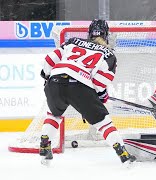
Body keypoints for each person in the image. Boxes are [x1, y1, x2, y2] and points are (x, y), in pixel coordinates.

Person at [39, 19, 136, 165]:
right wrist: (101, 97)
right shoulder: (109, 55)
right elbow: (99, 83)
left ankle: (45, 145)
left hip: (55, 81)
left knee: (54, 114)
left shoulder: (72, 41)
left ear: (89, 33)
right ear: (106, 35)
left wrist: (46, 76)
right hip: (79, 86)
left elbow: (50, 59)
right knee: (104, 122)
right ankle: (123, 153)